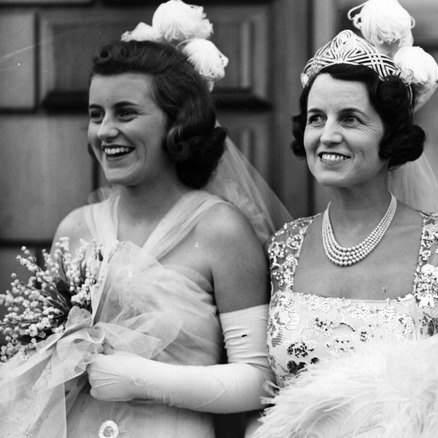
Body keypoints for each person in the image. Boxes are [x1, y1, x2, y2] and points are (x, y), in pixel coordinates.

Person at [0, 2, 290, 437]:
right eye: (96, 115)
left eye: (126, 113)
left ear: (177, 123)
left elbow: (258, 380)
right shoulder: (74, 228)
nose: (105, 131)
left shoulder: (220, 231)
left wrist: (141, 380)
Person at [249, 2, 438, 435]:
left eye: (350, 119)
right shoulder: (283, 247)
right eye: (316, 118)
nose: (327, 135)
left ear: (390, 137)